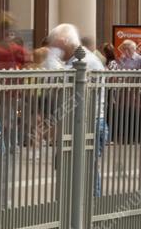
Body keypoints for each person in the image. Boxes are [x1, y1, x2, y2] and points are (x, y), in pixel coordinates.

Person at [46, 23, 108, 195]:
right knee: (74, 168)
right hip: (80, 122)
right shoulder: (74, 60)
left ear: (64, 41)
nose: (55, 49)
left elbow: (55, 79)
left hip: (89, 123)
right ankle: (77, 206)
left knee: (85, 170)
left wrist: (51, 56)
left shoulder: (83, 60)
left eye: (56, 45)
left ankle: (90, 206)